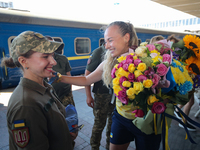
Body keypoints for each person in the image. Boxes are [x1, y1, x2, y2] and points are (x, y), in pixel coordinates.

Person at [53, 21, 162, 150]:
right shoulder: (108, 63)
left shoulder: (147, 60)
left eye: (110, 40)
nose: (107, 46)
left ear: (126, 37)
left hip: (146, 120)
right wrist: (58, 78)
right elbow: (87, 79)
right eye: (105, 42)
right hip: (121, 118)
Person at [1, 31, 77, 150]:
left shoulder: (44, 86)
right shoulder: (25, 105)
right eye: (45, 56)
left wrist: (65, 135)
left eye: (52, 55)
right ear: (23, 61)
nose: (54, 62)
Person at [85, 44, 115, 150]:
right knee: (99, 124)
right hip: (102, 95)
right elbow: (87, 75)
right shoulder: (98, 52)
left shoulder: (117, 52)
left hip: (115, 96)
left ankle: (109, 146)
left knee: (112, 125)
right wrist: (88, 96)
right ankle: (94, 147)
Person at [167, 34, 196, 131]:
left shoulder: (181, 52)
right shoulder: (175, 54)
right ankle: (183, 121)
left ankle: (178, 111)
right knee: (190, 100)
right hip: (183, 79)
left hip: (186, 77)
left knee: (189, 100)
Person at [45, 36, 75, 107]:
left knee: (69, 115)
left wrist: (70, 91)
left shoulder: (63, 59)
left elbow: (69, 75)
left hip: (65, 95)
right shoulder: (40, 62)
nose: (53, 62)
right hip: (49, 97)